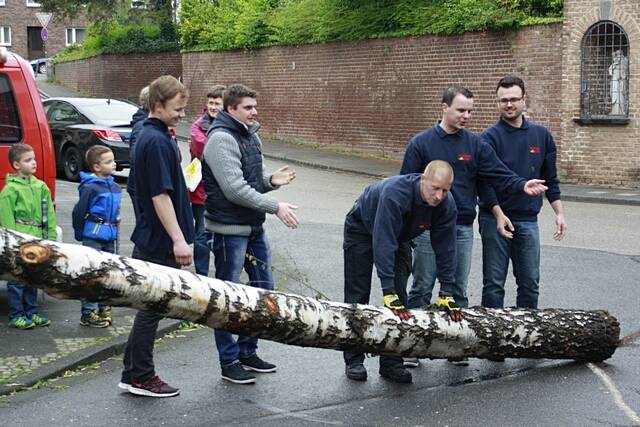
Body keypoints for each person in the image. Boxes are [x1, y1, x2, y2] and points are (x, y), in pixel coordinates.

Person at [400, 86, 547, 367]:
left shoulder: (475, 144)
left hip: (462, 227)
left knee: (457, 288)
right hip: (428, 228)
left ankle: (457, 346)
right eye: (461, 110)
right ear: (444, 107)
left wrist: (521, 183)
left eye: (470, 111)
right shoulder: (421, 143)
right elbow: (406, 185)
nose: (466, 116)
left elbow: (497, 173)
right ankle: (413, 346)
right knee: (423, 285)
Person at [202, 83, 298, 384]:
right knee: (229, 296)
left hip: (253, 227)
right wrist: (275, 206)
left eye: (254, 107)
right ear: (231, 108)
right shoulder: (220, 139)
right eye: (248, 107)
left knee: (261, 291)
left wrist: (270, 180)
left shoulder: (250, 134)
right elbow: (234, 189)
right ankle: (228, 361)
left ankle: (247, 351)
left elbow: (252, 181)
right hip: (229, 230)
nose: (254, 112)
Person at [342, 161, 460, 384]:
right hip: (362, 228)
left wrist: (447, 291)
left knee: (399, 301)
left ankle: (391, 362)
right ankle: (354, 359)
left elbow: (446, 248)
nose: (439, 195)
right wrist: (387, 289)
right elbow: (383, 241)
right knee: (358, 296)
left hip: (401, 236)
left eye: (445, 190)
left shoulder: (446, 205)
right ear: (423, 179)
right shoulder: (396, 193)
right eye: (435, 188)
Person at [119, 75, 194, 398]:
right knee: (153, 307)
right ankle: (141, 376)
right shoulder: (156, 141)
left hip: (151, 236)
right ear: (157, 105)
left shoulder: (148, 135)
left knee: (151, 306)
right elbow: (159, 196)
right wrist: (178, 239)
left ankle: (131, 372)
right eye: (177, 109)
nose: (181, 114)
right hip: (160, 241)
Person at [478, 76, 566, 311]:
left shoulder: (542, 136)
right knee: (494, 285)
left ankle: (525, 338)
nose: (509, 105)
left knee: (529, 284)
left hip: (527, 220)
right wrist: (497, 214)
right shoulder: (488, 138)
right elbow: (484, 183)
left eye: (514, 99)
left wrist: (559, 213)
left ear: (524, 100)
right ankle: (492, 338)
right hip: (494, 219)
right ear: (497, 103)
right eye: (503, 100)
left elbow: (551, 180)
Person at [0, 143, 56, 329]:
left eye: (34, 159)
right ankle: (17, 315)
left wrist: (51, 239)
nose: (34, 163)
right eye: (28, 160)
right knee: (17, 280)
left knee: (34, 279)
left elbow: (49, 215)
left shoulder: (41, 187)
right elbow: (7, 220)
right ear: (16, 165)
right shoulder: (10, 191)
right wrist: (13, 244)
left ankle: (32, 312)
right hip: (19, 242)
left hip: (38, 240)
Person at [72, 145, 122, 328]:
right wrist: (79, 232)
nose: (114, 163)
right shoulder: (90, 188)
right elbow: (79, 212)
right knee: (92, 273)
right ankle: (88, 312)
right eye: (108, 162)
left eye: (113, 160)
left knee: (109, 273)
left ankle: (105, 307)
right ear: (96, 167)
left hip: (110, 235)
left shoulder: (115, 186)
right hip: (93, 234)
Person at [189, 84, 226, 276]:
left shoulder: (232, 125)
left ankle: (224, 275)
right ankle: (201, 275)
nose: (212, 107)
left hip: (225, 191)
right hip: (202, 191)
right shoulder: (198, 126)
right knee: (202, 234)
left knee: (224, 235)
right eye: (210, 103)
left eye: (217, 103)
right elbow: (204, 150)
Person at [127, 86, 150, 223]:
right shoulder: (143, 126)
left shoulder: (144, 123)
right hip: (141, 188)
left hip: (140, 186)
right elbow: (136, 158)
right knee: (146, 230)